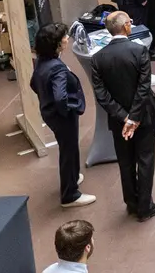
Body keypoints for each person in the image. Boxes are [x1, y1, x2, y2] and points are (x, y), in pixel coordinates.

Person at [88, 12, 155, 221]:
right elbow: (143, 87)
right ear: (126, 27)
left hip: (118, 121)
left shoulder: (97, 59)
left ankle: (131, 202)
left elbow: (102, 95)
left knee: (125, 161)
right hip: (144, 116)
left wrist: (124, 117)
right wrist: (135, 117)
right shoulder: (139, 51)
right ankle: (145, 206)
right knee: (145, 159)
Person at [30, 22, 93, 208]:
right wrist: (69, 109)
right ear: (56, 44)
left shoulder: (42, 61)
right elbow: (60, 97)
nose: (67, 39)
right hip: (62, 117)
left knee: (70, 148)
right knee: (68, 150)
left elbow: (34, 83)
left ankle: (73, 177)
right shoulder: (57, 68)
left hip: (50, 113)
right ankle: (70, 194)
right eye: (64, 37)